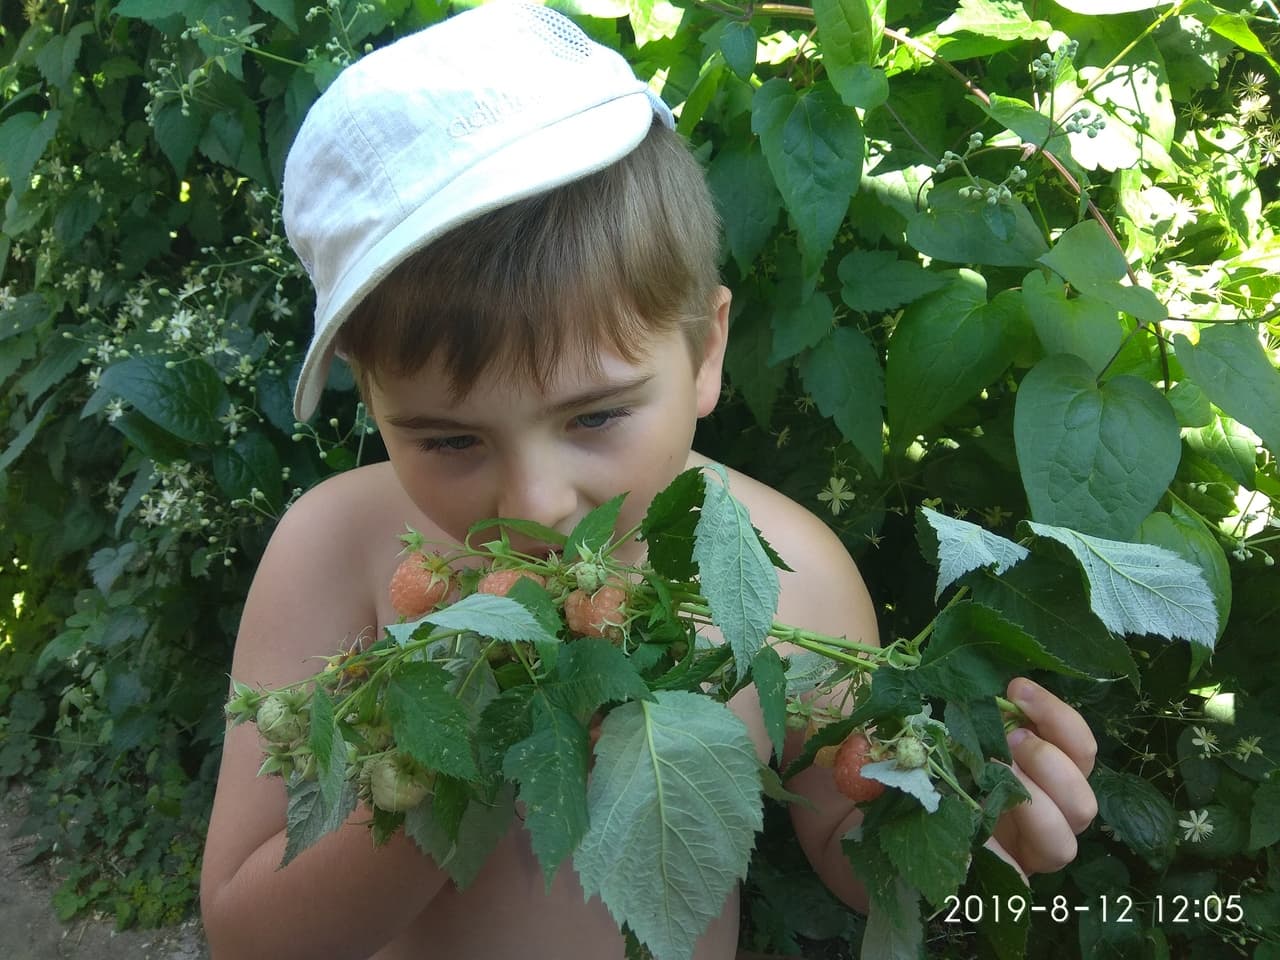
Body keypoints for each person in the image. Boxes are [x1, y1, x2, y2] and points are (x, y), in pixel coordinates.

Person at [199, 5, 1098, 958]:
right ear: (373, 398)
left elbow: (848, 829)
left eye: (594, 417)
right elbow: (250, 937)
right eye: (451, 440)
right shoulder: (337, 548)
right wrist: (448, 758)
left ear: (706, 351)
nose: (536, 504)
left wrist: (957, 835)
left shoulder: (792, 579)